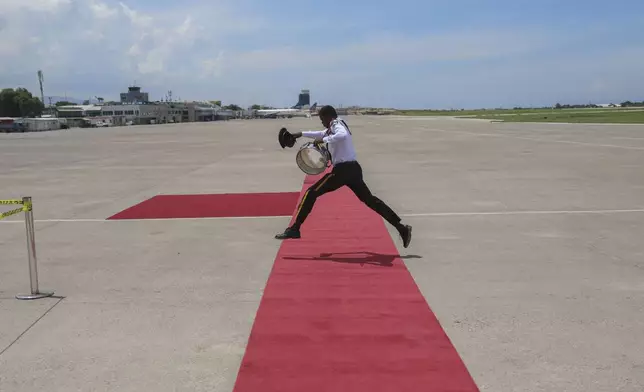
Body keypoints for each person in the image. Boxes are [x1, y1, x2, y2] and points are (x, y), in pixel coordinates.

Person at [275, 105, 412, 248]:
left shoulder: (336, 124)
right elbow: (321, 133)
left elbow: (342, 135)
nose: (322, 122)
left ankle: (295, 228)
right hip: (353, 169)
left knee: (311, 193)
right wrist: (300, 133)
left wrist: (325, 140)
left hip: (343, 170)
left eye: (322, 119)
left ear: (328, 117)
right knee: (370, 200)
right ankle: (401, 228)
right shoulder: (334, 125)